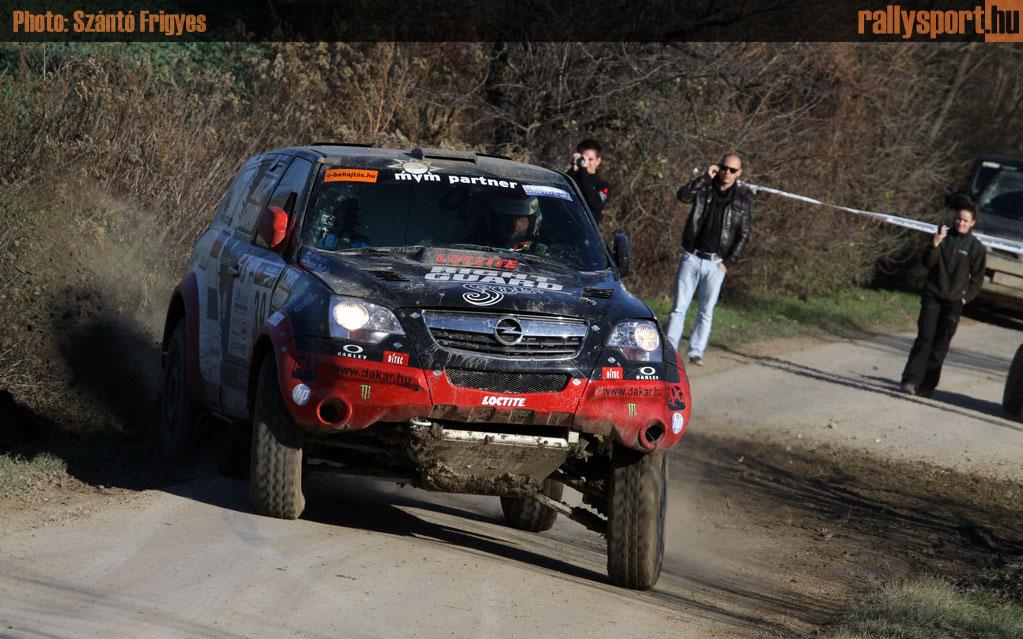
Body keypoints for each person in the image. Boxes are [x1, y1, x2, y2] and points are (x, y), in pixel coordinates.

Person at [665, 154, 752, 366]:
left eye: (732, 170)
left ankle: (696, 351)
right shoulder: (704, 190)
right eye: (724, 168)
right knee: (679, 307)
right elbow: (683, 196)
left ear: (739, 173)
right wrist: (704, 178)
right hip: (692, 256)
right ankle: (669, 352)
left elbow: (744, 234)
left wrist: (728, 262)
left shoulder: (741, 202)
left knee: (706, 310)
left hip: (716, 263)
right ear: (718, 167)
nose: (727, 173)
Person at [900, 203, 986, 397]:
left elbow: (978, 277)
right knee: (925, 337)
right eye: (958, 219)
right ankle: (910, 380)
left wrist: (966, 298)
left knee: (941, 344)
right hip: (933, 294)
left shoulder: (976, 247)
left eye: (965, 220)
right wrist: (935, 244)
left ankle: (927, 386)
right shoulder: (943, 238)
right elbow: (927, 264)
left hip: (955, 301)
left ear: (972, 223)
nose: (960, 223)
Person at [473, 191, 542, 251]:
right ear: (493, 219)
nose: (512, 223)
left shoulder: (540, 252)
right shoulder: (472, 246)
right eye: (506, 217)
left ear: (532, 221)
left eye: (519, 217)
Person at [567, 139, 610, 226]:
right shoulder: (572, 178)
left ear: (598, 161)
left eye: (590, 159)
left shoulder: (603, 186)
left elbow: (594, 203)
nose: (586, 163)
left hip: (586, 234)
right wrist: (573, 169)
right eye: (583, 159)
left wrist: (583, 170)